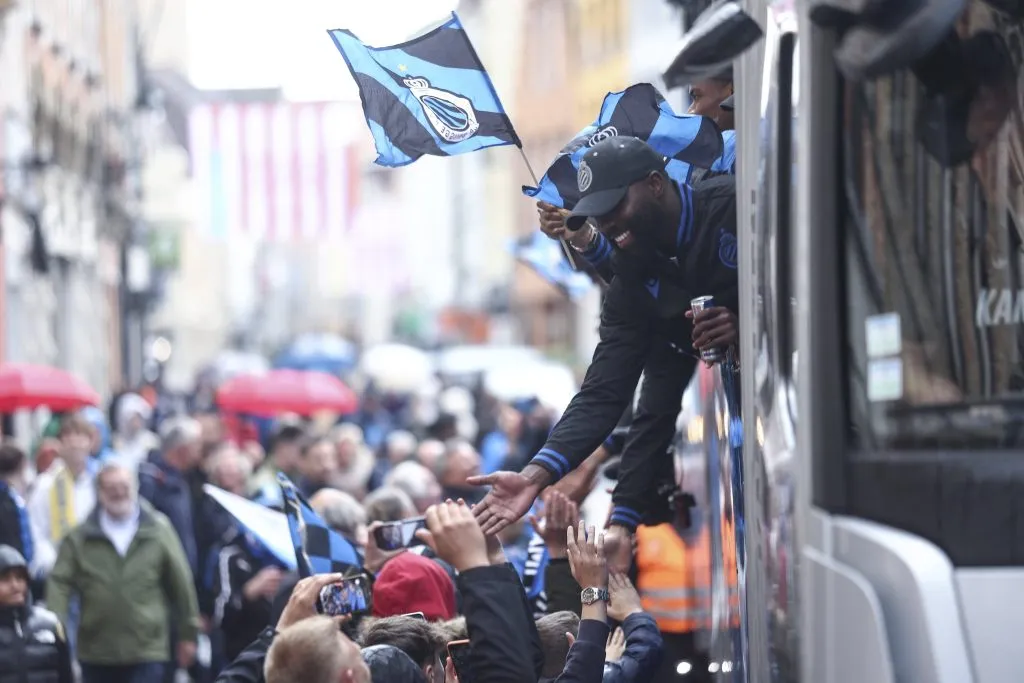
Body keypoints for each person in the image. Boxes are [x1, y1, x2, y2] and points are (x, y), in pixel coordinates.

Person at [471, 137, 739, 552]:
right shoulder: (630, 278)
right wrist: (534, 476)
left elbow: (824, 283)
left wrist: (757, 320)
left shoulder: (735, 205)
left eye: (615, 207)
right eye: (598, 213)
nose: (609, 224)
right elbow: (606, 394)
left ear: (654, 184)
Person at [0, 544, 73, 683]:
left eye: (19, 578)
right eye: (5, 579)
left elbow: (67, 676)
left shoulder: (51, 625)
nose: (15, 585)